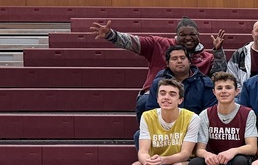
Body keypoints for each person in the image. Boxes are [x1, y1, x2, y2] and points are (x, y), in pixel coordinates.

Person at [91, 17, 227, 117]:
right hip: (157, 93)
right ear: (176, 35)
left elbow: (219, 75)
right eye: (183, 35)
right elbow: (133, 42)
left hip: (190, 95)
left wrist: (218, 51)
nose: (188, 38)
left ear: (199, 36)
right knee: (145, 102)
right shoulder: (158, 44)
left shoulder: (206, 57)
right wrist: (111, 35)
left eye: (192, 35)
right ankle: (148, 139)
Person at [187, 72, 258, 165]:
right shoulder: (205, 114)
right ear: (213, 92)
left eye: (228, 87)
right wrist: (207, 155)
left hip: (237, 164)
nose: (224, 91)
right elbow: (199, 149)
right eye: (219, 88)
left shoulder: (248, 113)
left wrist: (233, 150)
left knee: (240, 161)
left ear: (237, 91)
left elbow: (252, 148)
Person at [145, 45, 218, 114]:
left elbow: (209, 113)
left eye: (182, 58)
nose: (179, 61)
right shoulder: (158, 83)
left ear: (189, 61)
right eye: (174, 58)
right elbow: (152, 109)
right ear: (167, 63)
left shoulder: (205, 83)